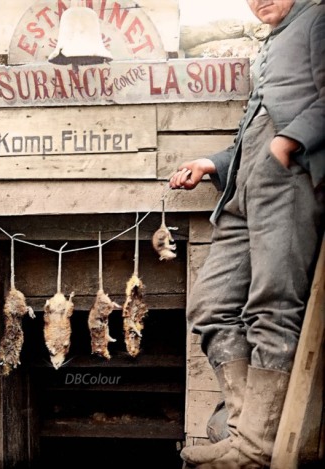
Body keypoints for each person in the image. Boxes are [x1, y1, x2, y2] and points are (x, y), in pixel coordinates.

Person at [169, 1, 325, 468]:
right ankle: (244, 436)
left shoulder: (318, 18)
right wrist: (212, 165)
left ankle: (252, 449)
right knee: (210, 304)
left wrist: (289, 142)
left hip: (288, 176)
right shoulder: (273, 41)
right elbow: (254, 125)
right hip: (241, 185)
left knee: (273, 304)